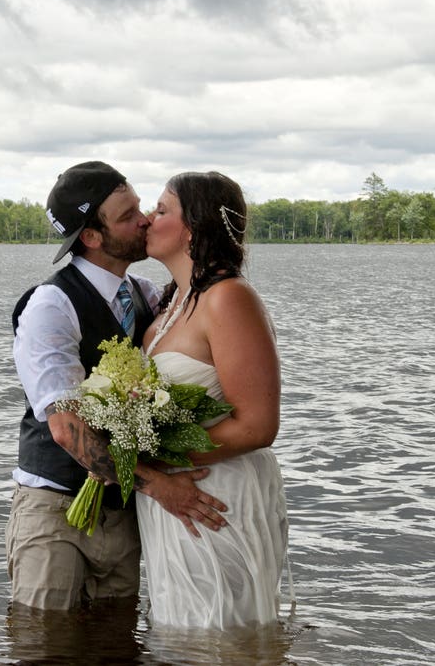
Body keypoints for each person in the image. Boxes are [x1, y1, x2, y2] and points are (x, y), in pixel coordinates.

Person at [7, 161, 229, 612]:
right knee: (44, 647)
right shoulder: (50, 306)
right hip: (55, 512)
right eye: (128, 216)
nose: (145, 219)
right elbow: (67, 429)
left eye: (142, 207)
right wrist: (162, 486)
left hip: (126, 515)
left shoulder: (147, 295)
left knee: (116, 644)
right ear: (91, 236)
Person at [137, 171, 289, 629]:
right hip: (174, 498)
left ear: (193, 228)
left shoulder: (228, 299)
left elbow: (258, 425)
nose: (147, 219)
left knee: (219, 629)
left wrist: (156, 455)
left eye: (161, 210)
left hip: (214, 494)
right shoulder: (171, 304)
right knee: (179, 628)